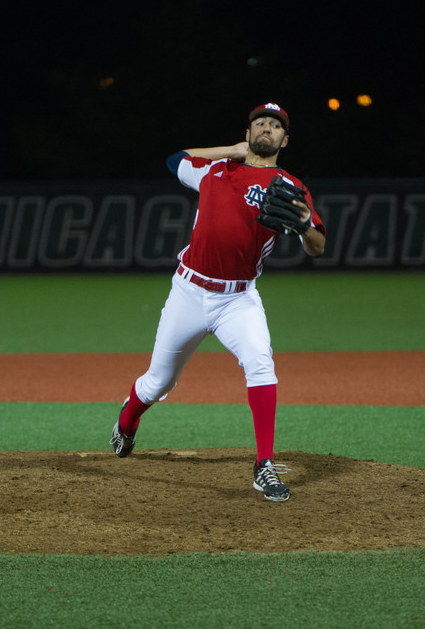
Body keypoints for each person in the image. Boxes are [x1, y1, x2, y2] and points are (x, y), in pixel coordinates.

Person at [109, 103, 326, 502]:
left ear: (285, 140)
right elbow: (175, 159)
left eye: (276, 125)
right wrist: (232, 149)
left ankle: (264, 466)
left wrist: (304, 223)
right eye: (260, 122)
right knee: (159, 382)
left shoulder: (292, 187)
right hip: (188, 293)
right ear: (249, 133)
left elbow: (317, 247)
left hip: (238, 300)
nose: (267, 127)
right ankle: (126, 422)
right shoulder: (214, 171)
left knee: (261, 364)